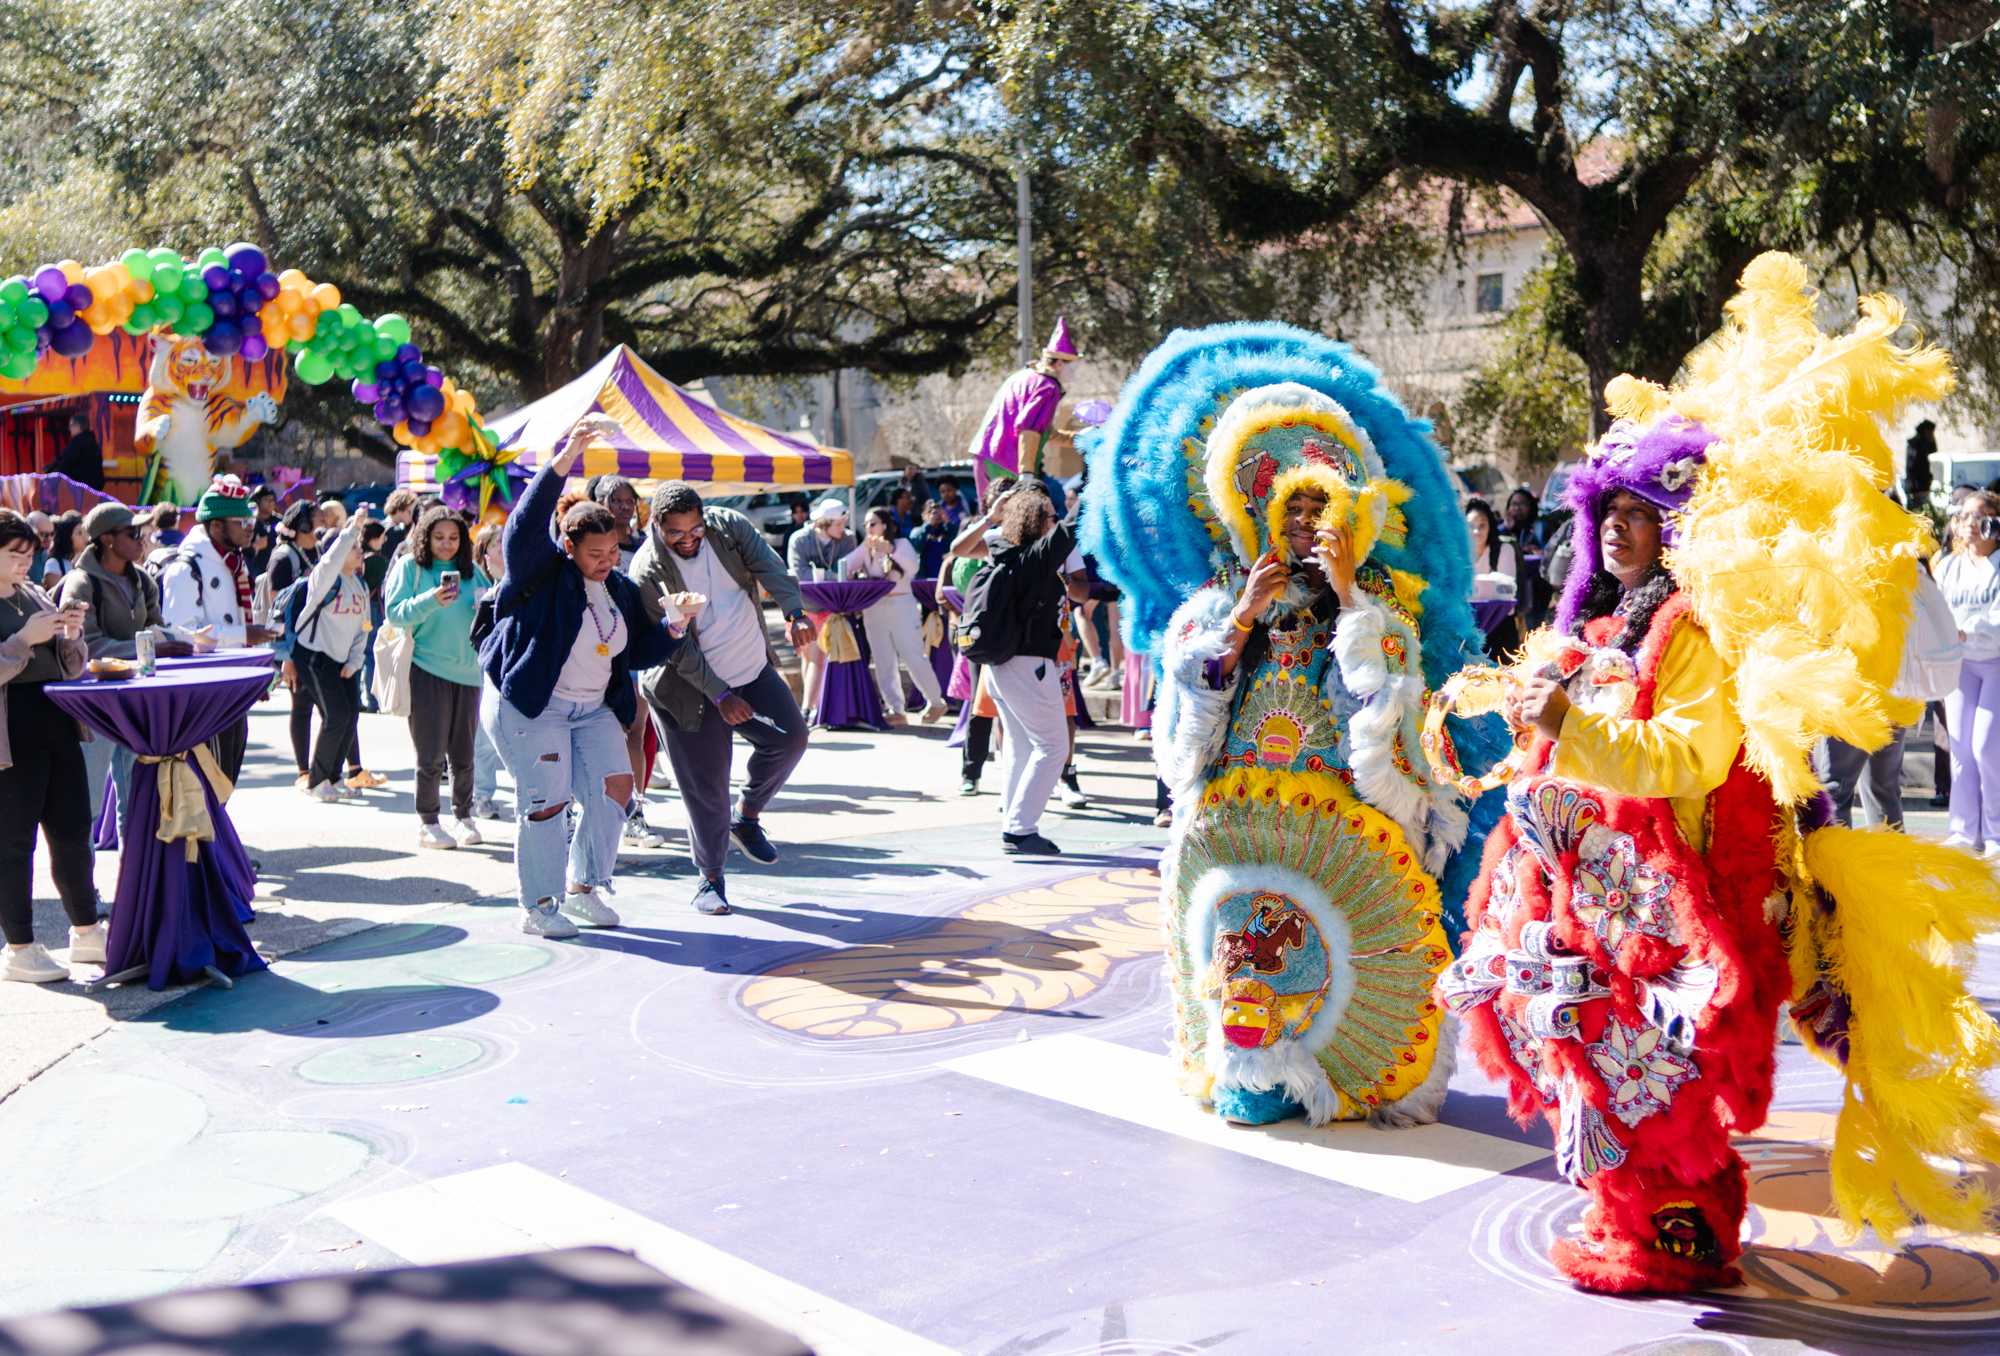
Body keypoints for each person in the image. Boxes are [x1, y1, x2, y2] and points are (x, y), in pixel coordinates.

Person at [1445, 255, 2000, 1293]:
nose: (1613, 527)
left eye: (1636, 510)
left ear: (1674, 522)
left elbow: (1689, 758)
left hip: (1677, 906)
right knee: (1610, 1080)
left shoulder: (1688, 629)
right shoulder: (1610, 622)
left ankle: (1675, 1244)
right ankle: (1635, 1230)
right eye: (1602, 509)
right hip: (1606, 905)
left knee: (1659, 1090)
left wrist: (1570, 724)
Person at [481, 428, 689, 938]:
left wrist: (673, 628)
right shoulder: (542, 572)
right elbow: (522, 529)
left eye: (613, 550)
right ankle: (539, 905)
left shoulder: (617, 587)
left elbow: (635, 650)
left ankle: (584, 888)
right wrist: (565, 458)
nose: (607, 560)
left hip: (593, 709)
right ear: (569, 547)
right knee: (547, 803)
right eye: (595, 553)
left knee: (615, 790)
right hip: (535, 708)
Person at [632, 480, 815, 916]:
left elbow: (772, 569)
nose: (689, 539)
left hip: (749, 667)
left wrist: (795, 613)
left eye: (695, 529)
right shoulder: (647, 570)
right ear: (657, 526)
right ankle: (710, 879)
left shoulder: (728, 527)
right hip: (687, 688)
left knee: (790, 739)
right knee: (706, 787)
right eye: (677, 533)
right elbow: (676, 648)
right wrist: (720, 695)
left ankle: (746, 817)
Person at [61, 502, 211, 844]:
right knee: (89, 803)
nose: (143, 538)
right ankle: (86, 893)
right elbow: (88, 646)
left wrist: (177, 640)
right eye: (133, 533)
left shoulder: (143, 580)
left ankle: (135, 888)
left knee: (136, 803)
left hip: (135, 701)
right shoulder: (80, 584)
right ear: (108, 540)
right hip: (93, 706)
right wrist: (150, 647)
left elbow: (154, 628)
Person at [0, 509, 102, 984]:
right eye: (14, 553)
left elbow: (71, 665)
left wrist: (71, 633)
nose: (25, 561)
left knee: (73, 828)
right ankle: (19, 945)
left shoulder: (34, 592)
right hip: (10, 731)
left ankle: (86, 928)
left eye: (29, 552)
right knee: (14, 841)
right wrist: (23, 639)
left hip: (56, 720)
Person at [961, 482, 1085, 855]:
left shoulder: (1003, 553)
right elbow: (1070, 529)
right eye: (1049, 515)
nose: (1055, 520)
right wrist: (1095, 480)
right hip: (1029, 665)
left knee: (1018, 745)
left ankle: (1014, 821)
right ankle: (1020, 829)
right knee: (1052, 746)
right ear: (1037, 522)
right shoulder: (1033, 560)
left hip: (1003, 666)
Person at [160, 476, 279, 782]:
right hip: (203, 695)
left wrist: (251, 665)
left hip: (230, 687)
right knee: (207, 781)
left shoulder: (232, 562)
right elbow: (181, 633)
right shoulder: (187, 568)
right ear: (216, 527)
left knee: (226, 776)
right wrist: (243, 636)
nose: (249, 527)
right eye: (241, 521)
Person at [385, 505, 485, 847]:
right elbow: (395, 613)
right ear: (425, 537)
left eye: (454, 538)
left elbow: (490, 605)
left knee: (464, 754)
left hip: (469, 672)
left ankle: (463, 815)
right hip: (426, 669)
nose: (447, 544)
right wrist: (431, 599)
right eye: (439, 537)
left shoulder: (471, 571)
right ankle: (428, 821)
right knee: (430, 754)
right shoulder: (410, 567)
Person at [589, 473, 666, 848]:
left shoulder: (644, 545)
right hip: (594, 652)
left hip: (634, 651)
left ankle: (635, 811)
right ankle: (588, 810)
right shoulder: (587, 545)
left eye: (627, 500)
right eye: (614, 500)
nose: (622, 506)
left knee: (635, 730)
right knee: (596, 733)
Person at [1934, 490, 2000, 857]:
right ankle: (1962, 831)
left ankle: (1995, 834)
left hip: (1995, 663)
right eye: (1964, 517)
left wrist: (1967, 629)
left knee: (1987, 749)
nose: (1970, 524)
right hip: (1959, 665)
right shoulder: (1949, 567)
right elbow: (1936, 612)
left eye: (1980, 516)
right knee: (1960, 747)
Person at [294, 510, 375, 802]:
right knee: (336, 715)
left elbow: (364, 626)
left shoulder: (359, 585)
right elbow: (332, 557)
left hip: (343, 661)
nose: (359, 551)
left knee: (350, 714)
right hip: (314, 655)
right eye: (354, 547)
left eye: (358, 546)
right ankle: (316, 780)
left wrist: (355, 661)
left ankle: (333, 776)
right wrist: (352, 528)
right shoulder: (325, 578)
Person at [842, 506, 947, 725]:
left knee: (913, 656)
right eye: (866, 525)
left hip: (901, 605)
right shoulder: (866, 547)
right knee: (883, 661)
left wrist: (888, 549)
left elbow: (911, 568)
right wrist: (862, 552)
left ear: (885, 525)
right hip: (874, 608)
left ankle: (936, 702)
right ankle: (895, 709)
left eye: (872, 523)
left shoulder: (902, 544)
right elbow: (846, 565)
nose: (868, 528)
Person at [967, 317, 1079, 504]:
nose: (1075, 373)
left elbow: (1043, 432)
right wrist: (1026, 473)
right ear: (1059, 364)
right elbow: (1029, 429)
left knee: (991, 522)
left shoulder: (1025, 376)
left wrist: (1081, 439)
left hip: (986, 457)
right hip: (1006, 463)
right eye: (1072, 366)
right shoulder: (1048, 387)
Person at [786, 497, 851, 718]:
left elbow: (849, 571)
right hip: (804, 607)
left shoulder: (847, 539)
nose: (844, 529)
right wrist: (832, 577)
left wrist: (823, 577)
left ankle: (809, 707)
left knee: (815, 658)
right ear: (824, 523)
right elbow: (799, 575)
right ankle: (808, 708)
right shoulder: (800, 539)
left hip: (832, 607)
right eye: (839, 524)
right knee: (811, 658)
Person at [468, 522, 506, 819]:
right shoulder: (471, 581)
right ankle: (481, 795)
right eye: (497, 544)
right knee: (483, 737)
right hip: (474, 669)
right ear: (484, 551)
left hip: (506, 670)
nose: (504, 549)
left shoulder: (517, 580)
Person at [48, 412, 104, 490]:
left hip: (79, 490)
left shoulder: (76, 444)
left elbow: (65, 465)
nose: (69, 429)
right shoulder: (93, 443)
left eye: (71, 426)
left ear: (78, 426)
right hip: (94, 489)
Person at [906, 500, 954, 580]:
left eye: (940, 513)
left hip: (943, 577)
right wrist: (928, 525)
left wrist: (948, 523)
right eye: (932, 513)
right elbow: (917, 547)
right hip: (923, 577)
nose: (937, 516)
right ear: (923, 515)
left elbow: (956, 543)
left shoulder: (948, 531)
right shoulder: (917, 531)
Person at [39, 511, 81, 591]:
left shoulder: (90, 561)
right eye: (79, 533)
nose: (85, 537)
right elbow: (57, 595)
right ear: (68, 537)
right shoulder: (54, 564)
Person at [380, 488, 421, 560]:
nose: (412, 516)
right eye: (409, 512)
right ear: (400, 509)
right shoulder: (393, 531)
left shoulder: (401, 528)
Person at [1905, 418, 1937, 507]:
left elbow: (1933, 450)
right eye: (1930, 432)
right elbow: (1913, 467)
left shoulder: (1923, 444)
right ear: (1925, 431)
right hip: (1917, 487)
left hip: (1922, 485)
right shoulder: (1915, 444)